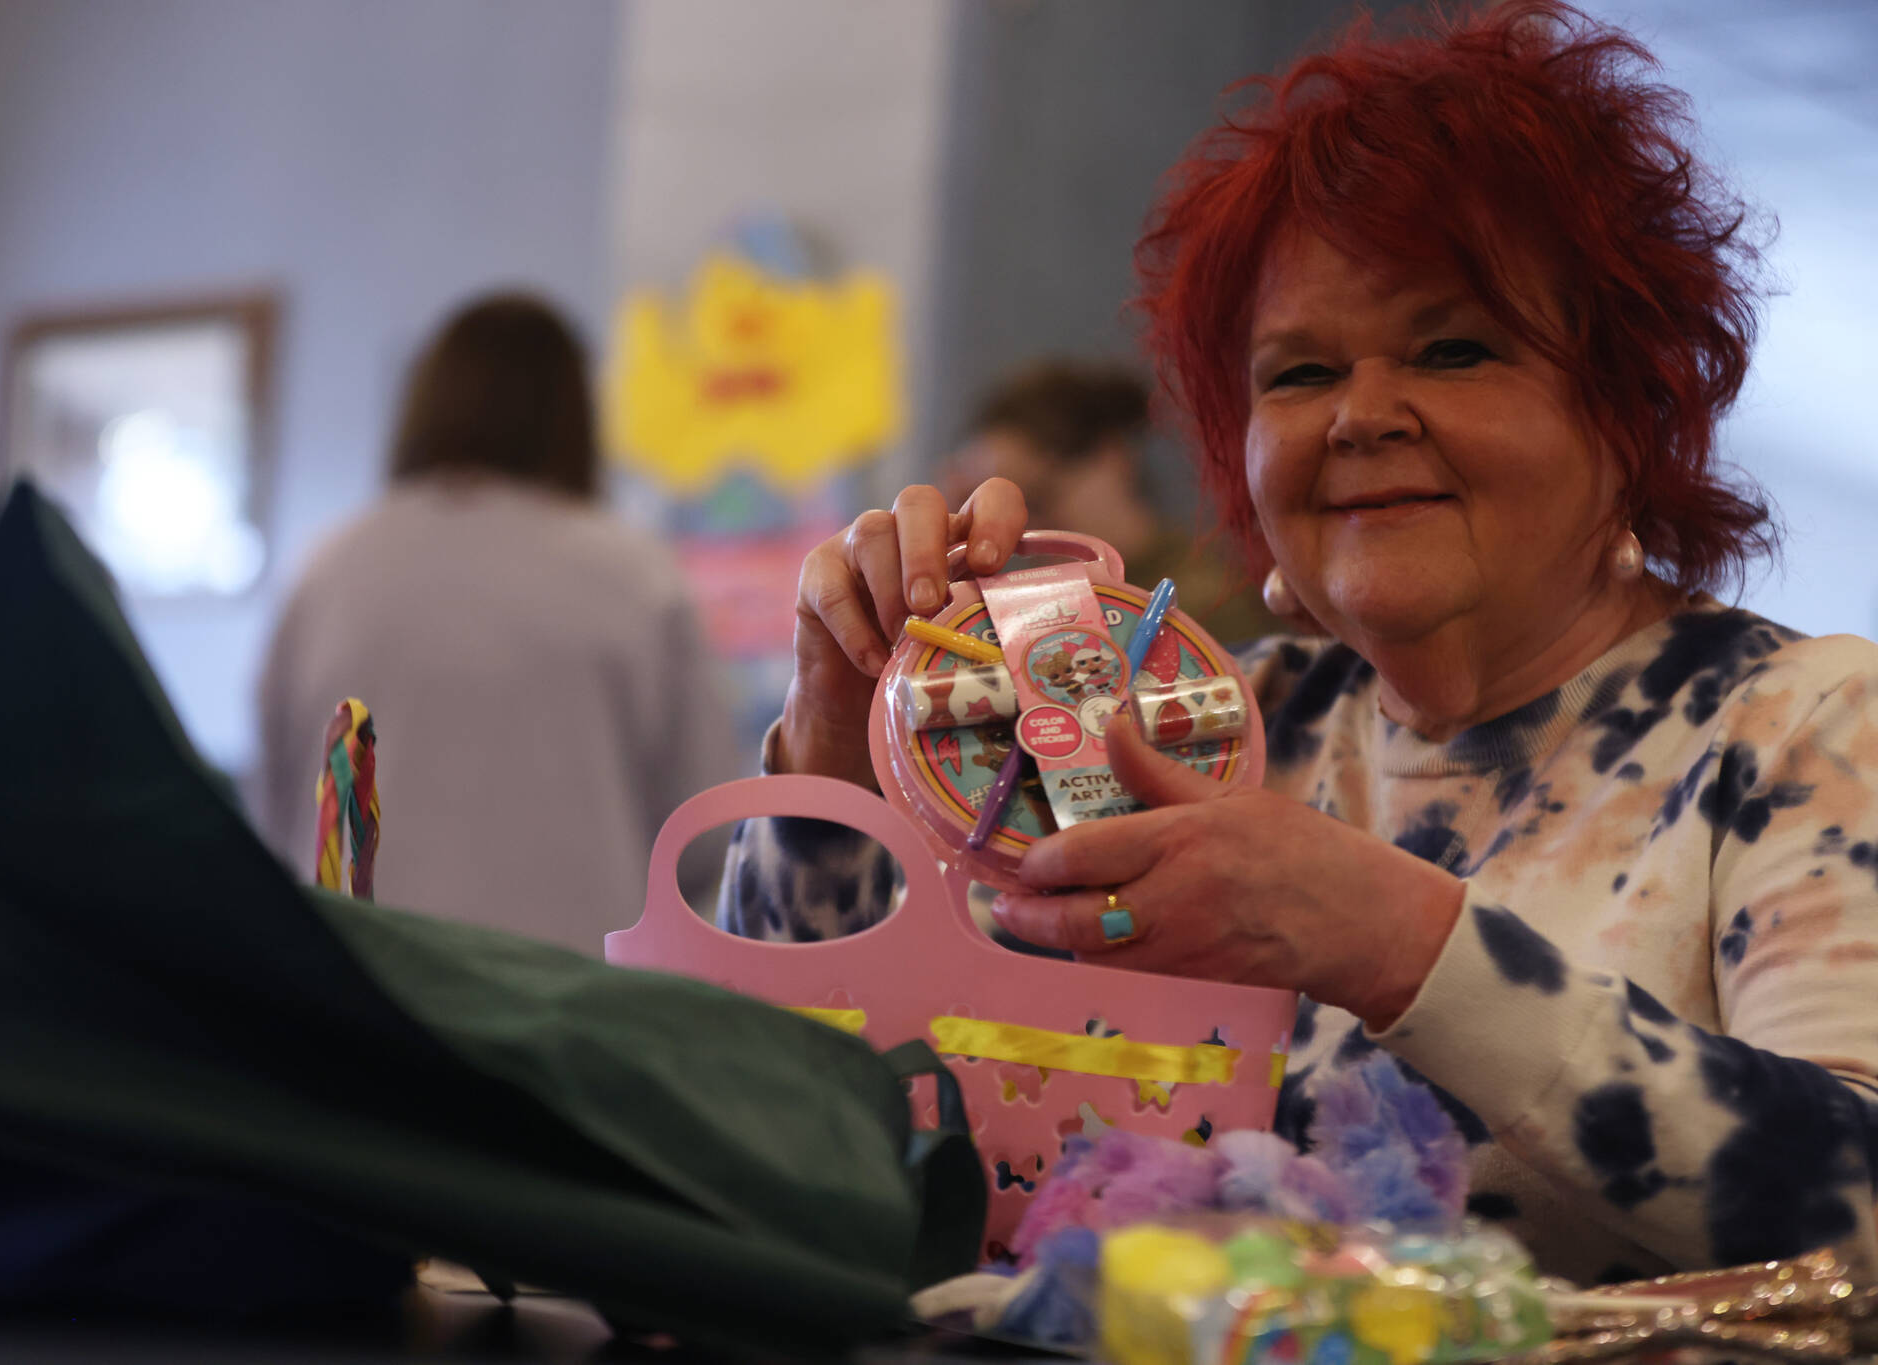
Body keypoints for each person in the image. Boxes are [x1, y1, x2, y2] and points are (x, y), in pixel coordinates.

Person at [719, 0, 1878, 1285]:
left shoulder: (1802, 728)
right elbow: (779, 1130)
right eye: (1298, 373)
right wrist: (836, 752)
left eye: (1452, 350)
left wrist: (1400, 945)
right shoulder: (1188, 727)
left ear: (1628, 408)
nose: (1360, 416)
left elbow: (1863, 1214)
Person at [258, 294, 740, 956]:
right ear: (574, 414)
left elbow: (276, 808)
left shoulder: (327, 570)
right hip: (571, 992)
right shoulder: (638, 578)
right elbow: (704, 833)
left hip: (358, 980)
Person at [938, 360, 1288, 645]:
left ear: (1111, 459)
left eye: (1038, 498)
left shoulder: (1203, 602)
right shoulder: (1042, 601)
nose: (1023, 530)